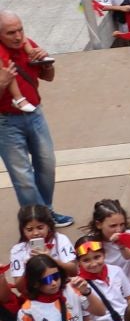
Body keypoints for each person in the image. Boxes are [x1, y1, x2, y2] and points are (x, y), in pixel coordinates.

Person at [0, 13, 63, 223]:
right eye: (11, 33)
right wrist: (2, 83)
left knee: (47, 166)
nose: (18, 37)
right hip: (6, 121)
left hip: (34, 113)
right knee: (23, 178)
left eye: (20, 30)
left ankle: (45, 211)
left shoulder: (29, 46)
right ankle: (38, 223)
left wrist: (46, 64)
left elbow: (49, 77)